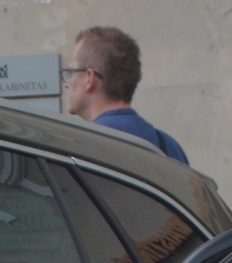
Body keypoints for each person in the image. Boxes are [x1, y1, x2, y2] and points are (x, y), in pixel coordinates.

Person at [62, 27, 188, 164]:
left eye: (71, 72)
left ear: (89, 78)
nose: (66, 84)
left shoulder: (83, 145)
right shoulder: (170, 146)